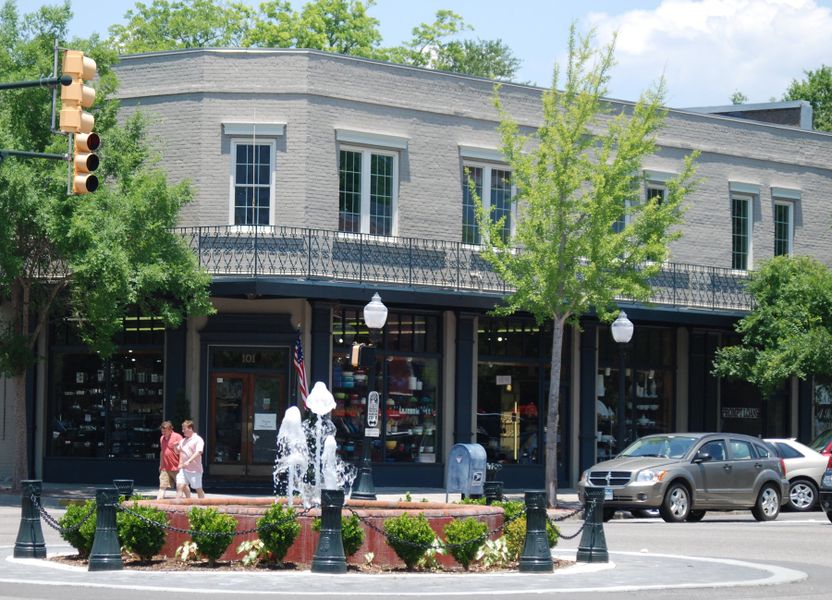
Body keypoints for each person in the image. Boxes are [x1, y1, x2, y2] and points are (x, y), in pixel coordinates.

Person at [176, 419, 205, 498]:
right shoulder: (183, 441)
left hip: (195, 470)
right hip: (184, 469)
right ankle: (177, 504)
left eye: (184, 429)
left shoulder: (198, 439)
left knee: (198, 489)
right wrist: (175, 446)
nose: (182, 431)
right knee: (179, 487)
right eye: (182, 429)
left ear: (190, 428)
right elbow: (178, 451)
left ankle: (202, 504)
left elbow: (199, 452)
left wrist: (189, 461)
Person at [157, 421, 183, 500]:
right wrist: (161, 465)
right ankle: (158, 503)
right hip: (165, 467)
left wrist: (181, 464)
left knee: (181, 487)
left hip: (176, 467)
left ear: (170, 430)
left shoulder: (177, 437)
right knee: (162, 486)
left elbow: (182, 451)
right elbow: (162, 452)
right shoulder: (162, 438)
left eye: (165, 431)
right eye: (162, 431)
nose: (163, 433)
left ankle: (187, 501)